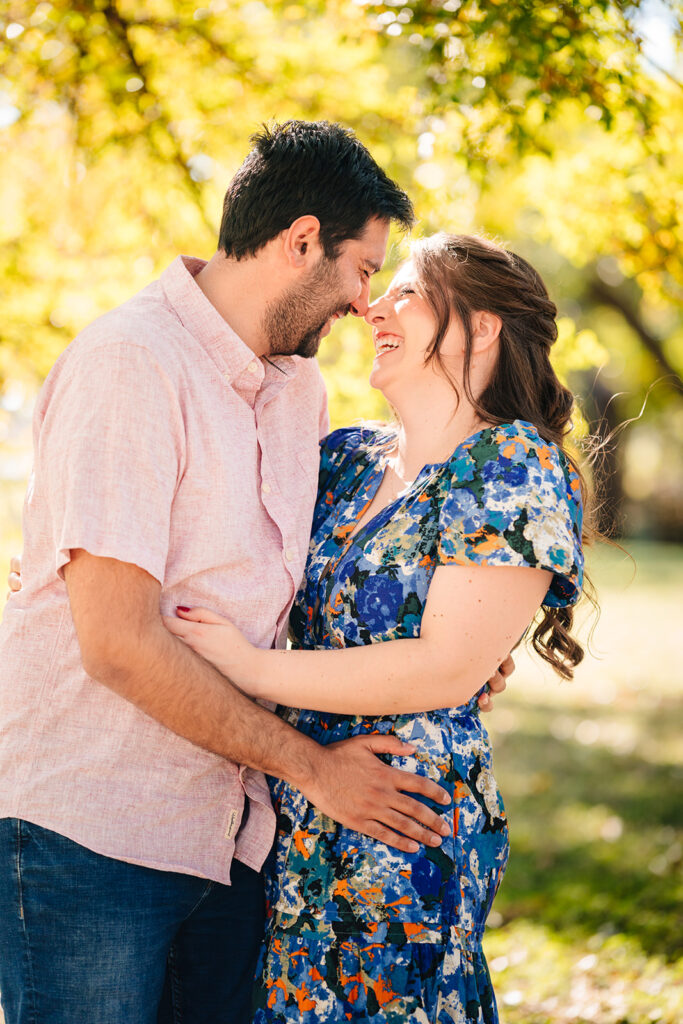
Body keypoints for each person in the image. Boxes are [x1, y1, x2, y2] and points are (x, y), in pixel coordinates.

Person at [0, 123, 511, 1024]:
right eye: (362, 269)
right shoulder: (132, 364)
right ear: (301, 240)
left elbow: (315, 581)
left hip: (234, 837)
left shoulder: (297, 392)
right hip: (93, 835)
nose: (365, 304)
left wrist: (455, 645)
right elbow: (117, 642)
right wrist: (314, 770)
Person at [162, 233, 587, 1022]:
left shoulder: (509, 463)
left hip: (403, 817)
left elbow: (442, 670)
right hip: (290, 808)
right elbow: (221, 538)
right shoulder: (347, 457)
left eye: (407, 292)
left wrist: (246, 668)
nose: (371, 305)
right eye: (377, 290)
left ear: (483, 326)